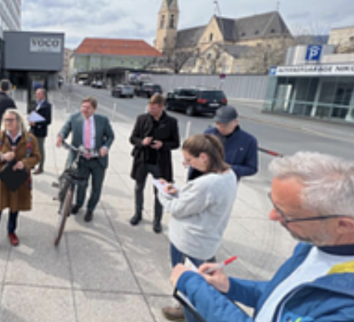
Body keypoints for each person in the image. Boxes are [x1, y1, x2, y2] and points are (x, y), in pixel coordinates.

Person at [169, 152, 354, 322]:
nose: (272, 216)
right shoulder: (316, 243)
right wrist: (231, 286)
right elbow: (282, 293)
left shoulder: (346, 310)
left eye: (285, 213)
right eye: (273, 203)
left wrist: (193, 286)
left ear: (343, 225)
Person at [159, 134, 238, 320]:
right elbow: (200, 200)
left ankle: (186, 312)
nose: (188, 164)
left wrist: (162, 192)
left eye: (189, 159)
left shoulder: (207, 183)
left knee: (188, 282)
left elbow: (177, 208)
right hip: (207, 240)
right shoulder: (229, 175)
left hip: (189, 242)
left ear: (203, 156)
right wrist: (178, 190)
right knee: (205, 281)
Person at [0, 109, 41, 257]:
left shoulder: (29, 138)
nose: (8, 123)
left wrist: (25, 163)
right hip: (0, 181)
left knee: (15, 209)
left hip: (18, 180)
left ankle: (11, 232)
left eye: (11, 120)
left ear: (18, 121)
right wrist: (2, 156)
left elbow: (37, 157)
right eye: (6, 120)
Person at [56, 96, 115, 222]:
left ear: (94, 109)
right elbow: (65, 128)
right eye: (83, 107)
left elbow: (110, 136)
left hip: (98, 160)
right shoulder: (74, 118)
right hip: (81, 158)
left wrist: (105, 147)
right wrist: (61, 136)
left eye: (88, 108)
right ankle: (79, 204)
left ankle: (90, 209)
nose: (85, 110)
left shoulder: (102, 120)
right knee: (81, 185)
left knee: (96, 187)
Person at [129, 94, 180, 231]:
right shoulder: (142, 119)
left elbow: (176, 143)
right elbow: (132, 138)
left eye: (154, 108)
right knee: (138, 188)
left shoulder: (171, 122)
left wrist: (163, 144)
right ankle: (137, 213)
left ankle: (157, 220)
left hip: (160, 163)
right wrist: (142, 142)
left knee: (159, 192)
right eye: (149, 107)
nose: (150, 110)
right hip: (142, 160)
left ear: (162, 107)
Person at [189, 105, 258, 182]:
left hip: (226, 183)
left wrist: (228, 168)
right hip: (203, 178)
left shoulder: (249, 141)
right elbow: (196, 155)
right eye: (217, 123)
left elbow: (252, 168)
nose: (220, 127)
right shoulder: (209, 133)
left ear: (235, 122)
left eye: (225, 125)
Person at [29, 87, 52, 175]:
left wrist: (37, 123)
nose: (36, 95)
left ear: (43, 95)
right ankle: (32, 163)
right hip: (32, 130)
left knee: (39, 149)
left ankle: (41, 167)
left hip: (40, 131)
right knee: (30, 148)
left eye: (38, 94)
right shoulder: (36, 104)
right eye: (36, 93)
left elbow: (48, 120)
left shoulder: (47, 105)